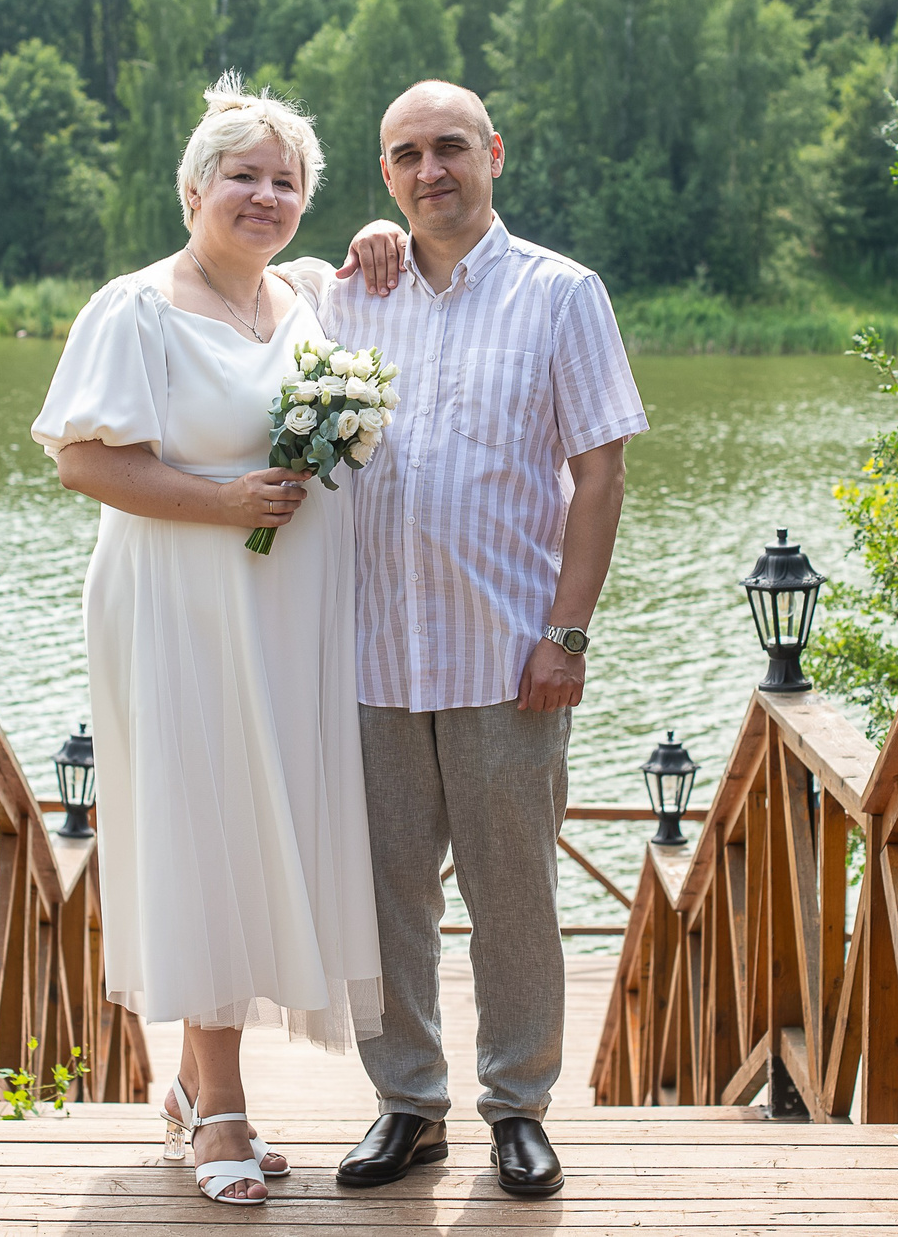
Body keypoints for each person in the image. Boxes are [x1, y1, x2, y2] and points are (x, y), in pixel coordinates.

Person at [29, 78, 383, 1208]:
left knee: (257, 824)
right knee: (201, 824)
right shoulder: (136, 308)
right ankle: (220, 1103)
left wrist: (377, 235)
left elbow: (363, 270)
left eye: (287, 181)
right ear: (193, 189)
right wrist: (226, 502)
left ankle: (192, 1085)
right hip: (179, 604)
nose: (265, 195)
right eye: (243, 176)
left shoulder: (305, 298)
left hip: (286, 615)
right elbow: (82, 460)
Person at [298, 79, 645, 1201]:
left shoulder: (561, 293)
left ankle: (518, 1107)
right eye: (405, 155)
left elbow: (600, 474)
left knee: (514, 896)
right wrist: (366, 239)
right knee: (385, 896)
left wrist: (567, 634)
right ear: (384, 173)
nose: (429, 170)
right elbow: (246, 293)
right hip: (369, 657)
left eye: (449, 147)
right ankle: (408, 1103)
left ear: (493, 153)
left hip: (507, 658)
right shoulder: (348, 296)